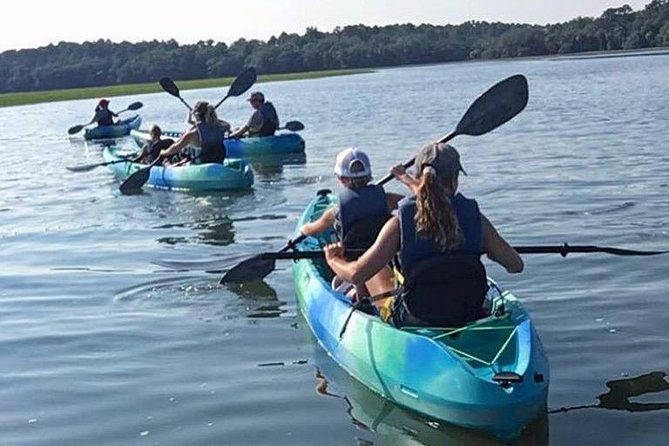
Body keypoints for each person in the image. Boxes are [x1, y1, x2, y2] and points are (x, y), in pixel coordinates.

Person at [324, 143, 523, 328]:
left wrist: (334, 259)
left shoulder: (399, 223)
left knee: (374, 269)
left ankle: (362, 303)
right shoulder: (477, 219)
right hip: (470, 310)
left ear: (420, 177)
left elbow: (356, 273)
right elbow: (516, 266)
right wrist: (488, 249)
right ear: (455, 180)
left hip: (416, 318)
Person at [298, 147, 403, 298]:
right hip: (385, 262)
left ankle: (356, 295)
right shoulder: (387, 199)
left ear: (341, 179)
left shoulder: (335, 212)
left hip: (355, 267)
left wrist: (302, 228)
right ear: (369, 176)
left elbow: (311, 229)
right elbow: (412, 204)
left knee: (337, 281)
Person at [159, 101, 231, 165]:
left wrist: (164, 152)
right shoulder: (221, 127)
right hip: (219, 160)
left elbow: (176, 148)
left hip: (203, 163)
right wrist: (212, 117)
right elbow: (228, 125)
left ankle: (167, 164)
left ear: (196, 115)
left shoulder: (193, 133)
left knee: (170, 162)